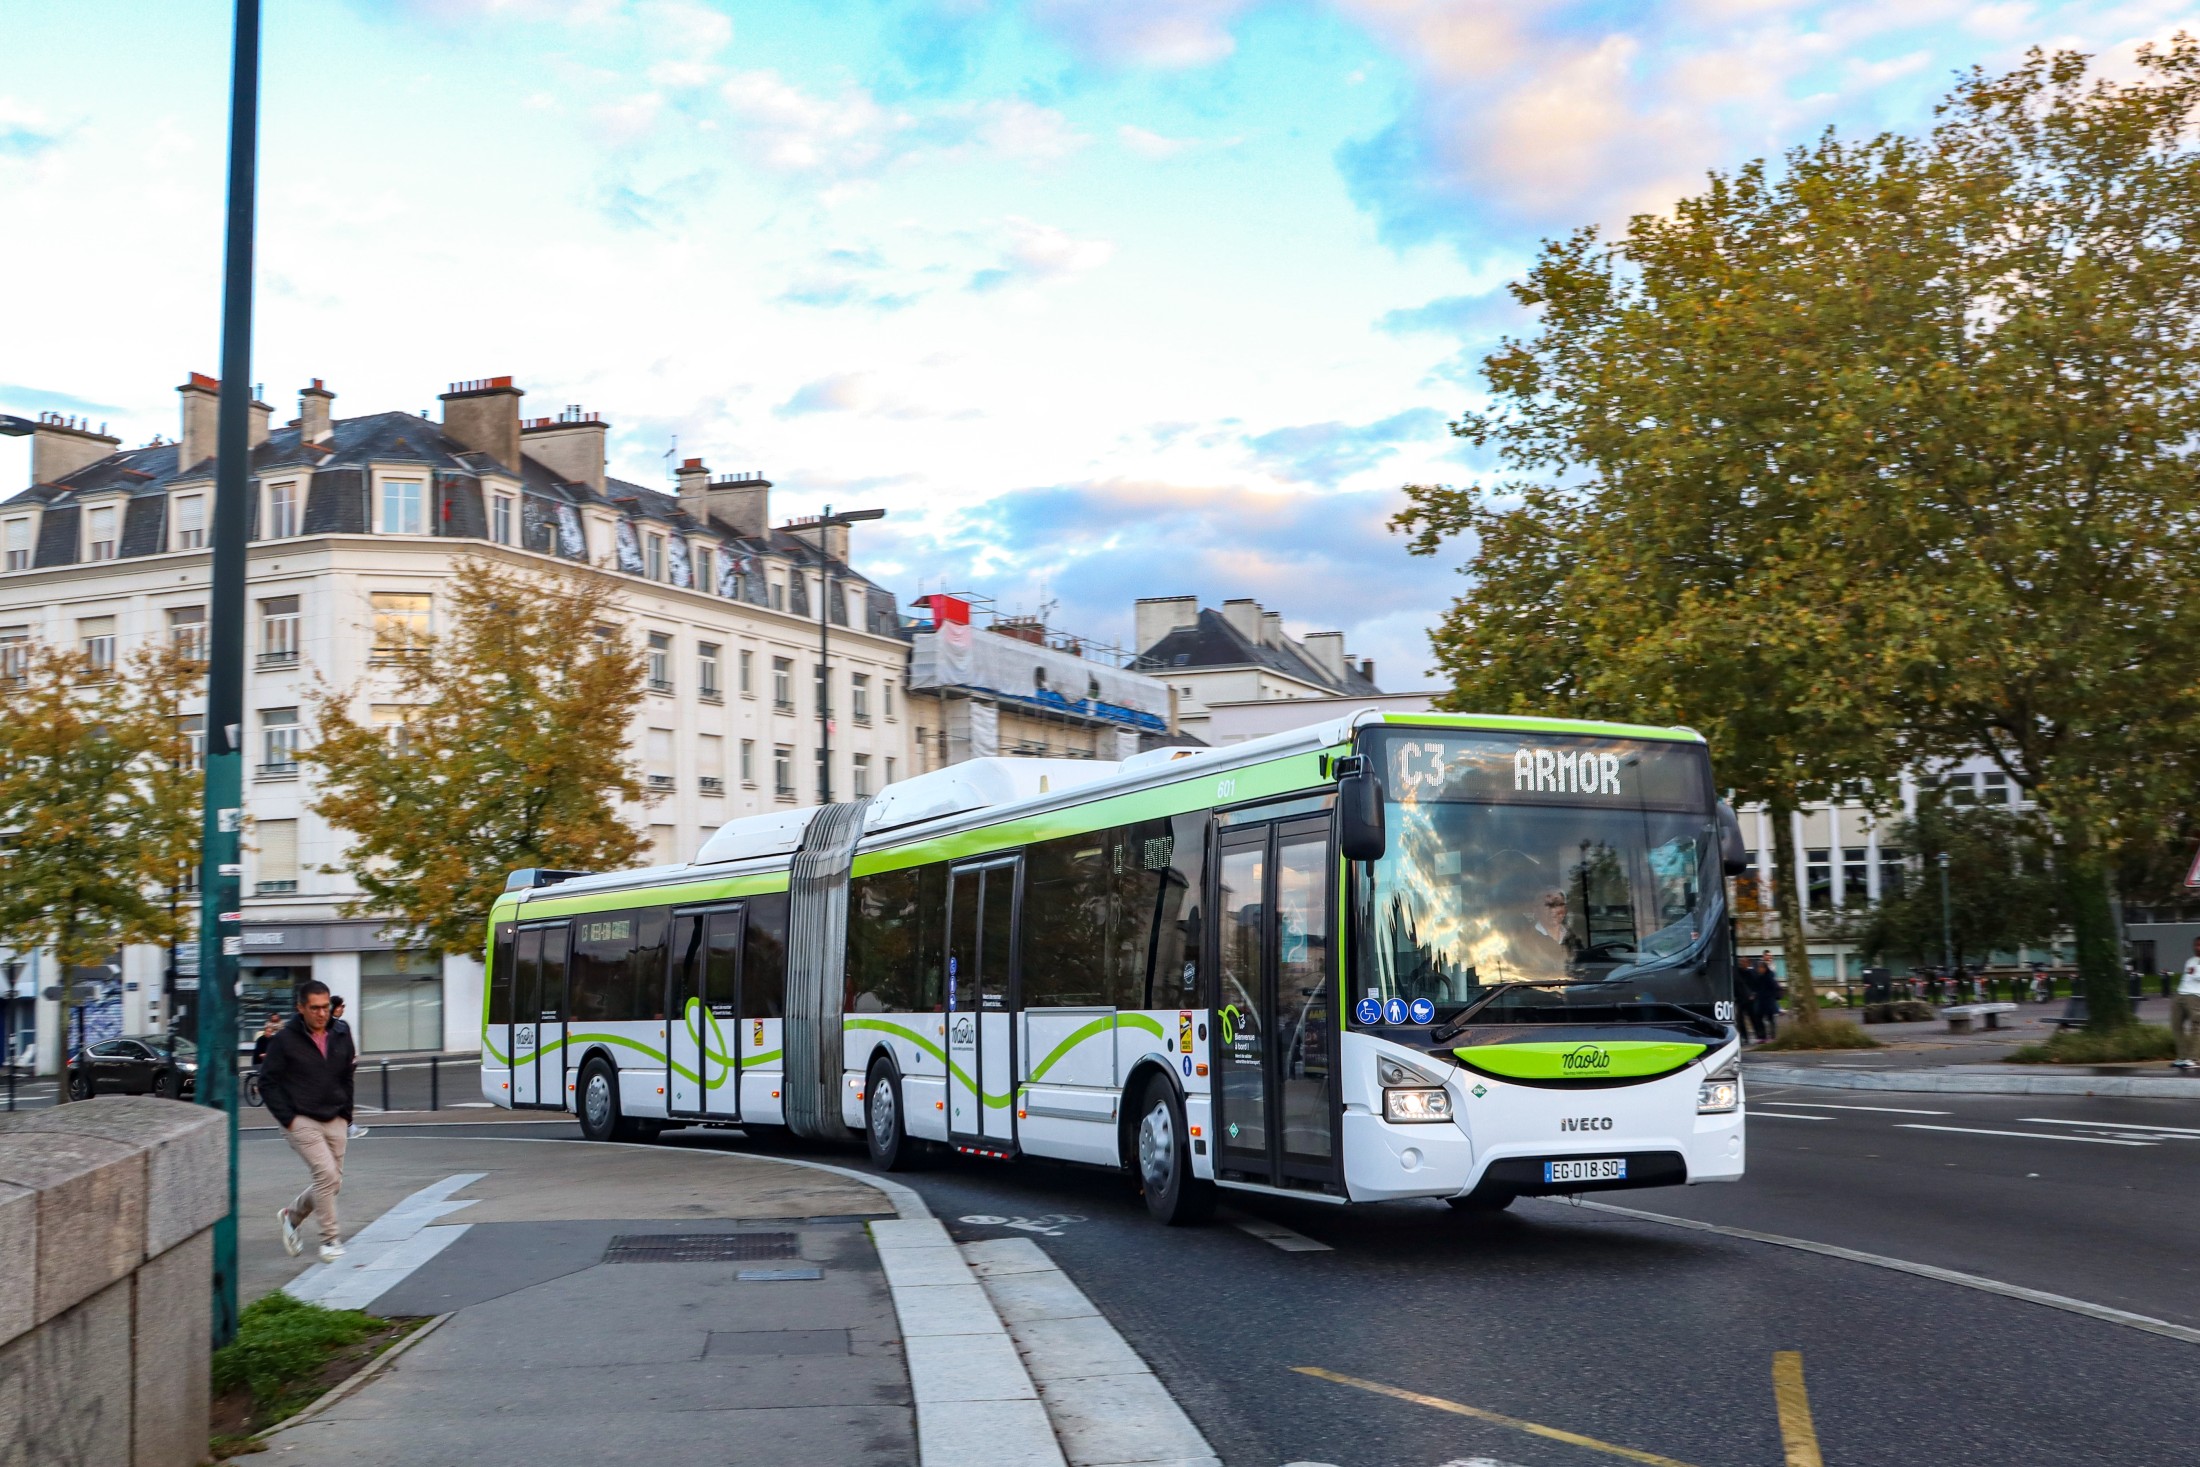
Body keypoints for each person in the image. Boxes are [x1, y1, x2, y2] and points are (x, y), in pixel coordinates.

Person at [263, 980, 358, 1263]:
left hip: (335, 1116)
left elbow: (347, 1075)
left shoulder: (341, 1032)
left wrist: (346, 1114)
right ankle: (329, 1240)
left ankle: (291, 1216)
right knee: (326, 1175)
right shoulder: (284, 1040)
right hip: (301, 1118)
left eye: (325, 1007)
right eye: (314, 1008)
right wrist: (289, 1119)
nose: (321, 1013)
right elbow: (267, 1082)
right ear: (301, 1008)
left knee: (332, 1182)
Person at [329, 996, 369, 1140]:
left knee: (346, 1099)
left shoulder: (343, 1025)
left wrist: (352, 1060)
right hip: (334, 1071)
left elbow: (348, 1045)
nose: (343, 1009)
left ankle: (349, 1127)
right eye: (341, 1006)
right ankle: (345, 1128)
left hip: (345, 1069)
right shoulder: (326, 1027)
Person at [2173, 938, 2200, 1071]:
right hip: (2180, 994)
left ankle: (2194, 1059)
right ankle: (2182, 1057)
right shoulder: (2190, 961)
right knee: (2176, 1025)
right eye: (2196, 945)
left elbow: (2196, 976)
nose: (2197, 947)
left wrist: (2195, 973)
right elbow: (2188, 977)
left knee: (2196, 1027)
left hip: (2195, 996)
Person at [1749, 953, 1782, 1039]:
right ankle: (1763, 1036)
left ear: (1764, 968)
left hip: (1768, 1001)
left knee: (1770, 1018)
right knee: (1759, 1018)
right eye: (1758, 968)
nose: (1759, 969)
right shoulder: (1759, 977)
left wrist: (1773, 996)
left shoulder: (1769, 976)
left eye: (1760, 968)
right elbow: (1756, 987)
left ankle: (1772, 1035)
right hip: (1761, 1001)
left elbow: (1774, 987)